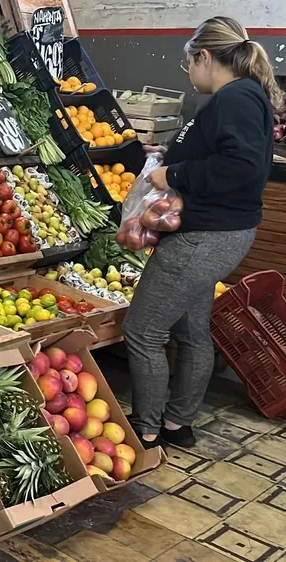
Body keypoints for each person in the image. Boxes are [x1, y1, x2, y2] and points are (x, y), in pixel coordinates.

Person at [122, 16, 281, 448]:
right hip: (219, 234)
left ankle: (147, 430)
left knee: (143, 330)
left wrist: (173, 174)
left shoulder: (236, 98)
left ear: (204, 57)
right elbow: (223, 153)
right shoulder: (242, 95)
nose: (189, 73)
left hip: (204, 238)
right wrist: (169, 154)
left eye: (188, 63)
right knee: (192, 331)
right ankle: (178, 424)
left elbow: (242, 167)